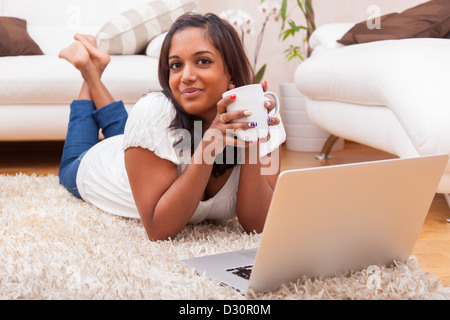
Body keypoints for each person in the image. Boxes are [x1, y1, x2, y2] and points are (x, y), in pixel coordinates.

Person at [58, 12, 286, 241]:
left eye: (203, 61)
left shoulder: (261, 115)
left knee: (129, 129)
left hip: (147, 152)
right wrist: (208, 146)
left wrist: (253, 139)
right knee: (69, 166)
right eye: (176, 65)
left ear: (232, 73)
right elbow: (158, 230)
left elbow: (258, 224)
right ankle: (89, 70)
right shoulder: (154, 112)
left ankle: (93, 69)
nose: (185, 76)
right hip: (100, 166)